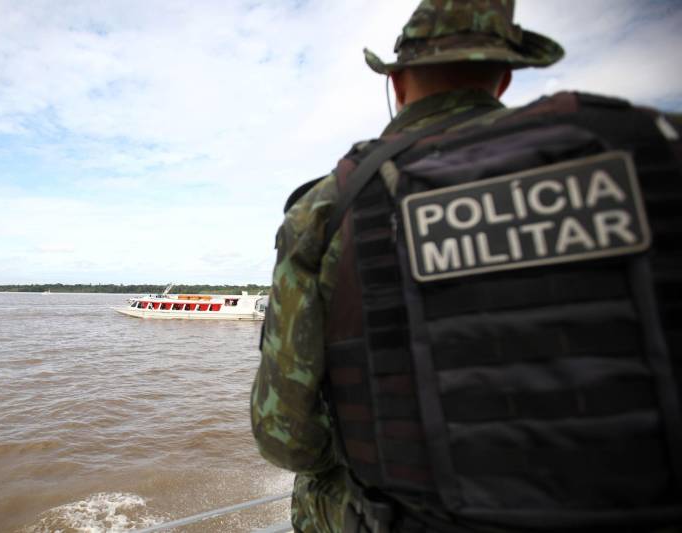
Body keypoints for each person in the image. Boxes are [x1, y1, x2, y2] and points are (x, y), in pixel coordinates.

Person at [251, 1, 682, 532]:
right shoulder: (656, 145)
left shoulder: (327, 207)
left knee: (315, 485)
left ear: (398, 81)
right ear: (504, 78)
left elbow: (286, 437)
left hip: (414, 519)